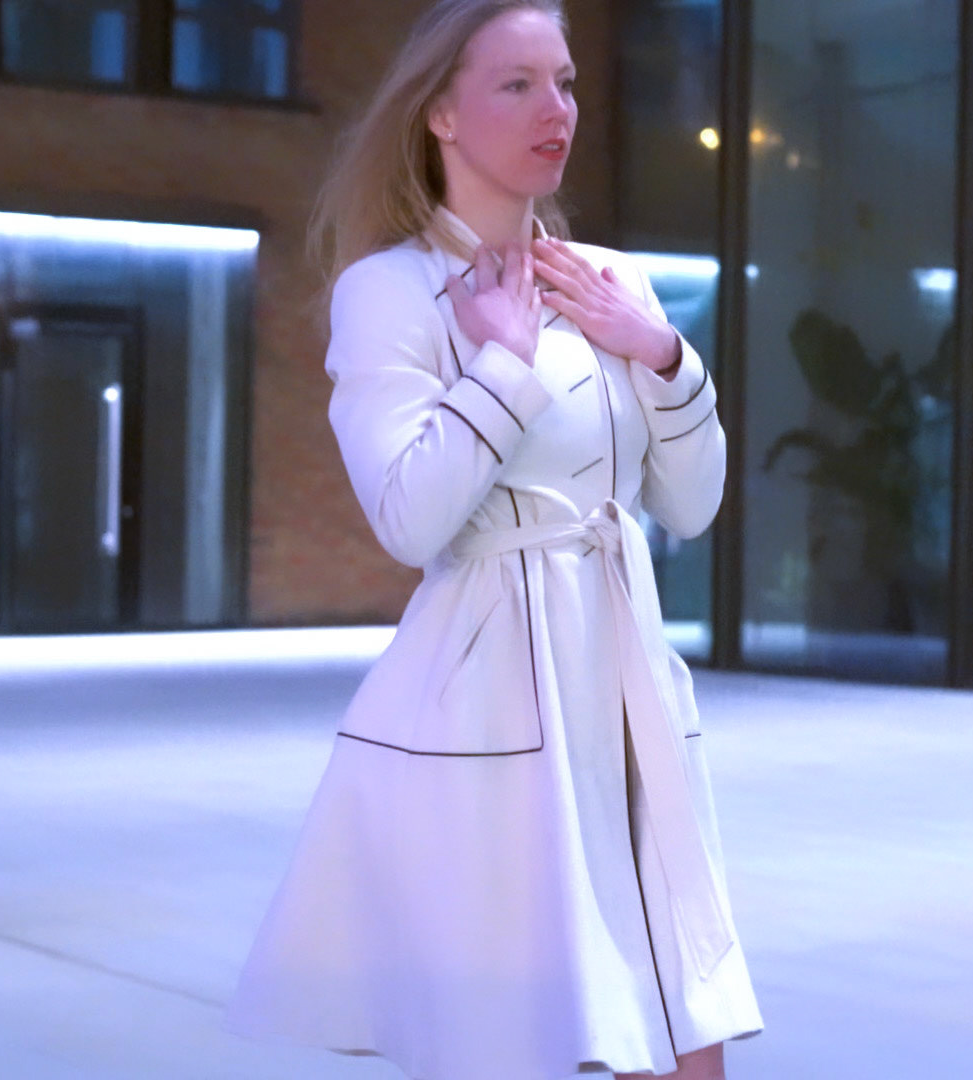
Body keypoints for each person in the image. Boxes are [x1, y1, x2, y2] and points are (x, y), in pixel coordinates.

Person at [221, 2, 764, 1078]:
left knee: (682, 1037)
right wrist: (504, 366)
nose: (554, 108)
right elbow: (408, 520)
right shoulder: (389, 291)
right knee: (515, 1042)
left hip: (625, 688)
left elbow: (693, 506)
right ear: (441, 115)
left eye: (564, 82)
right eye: (517, 84)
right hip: (490, 702)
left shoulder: (612, 281)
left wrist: (661, 355)